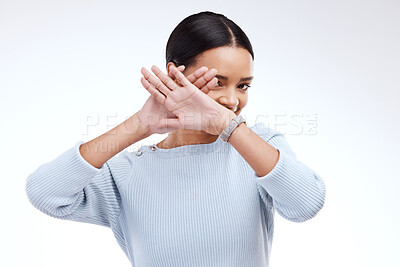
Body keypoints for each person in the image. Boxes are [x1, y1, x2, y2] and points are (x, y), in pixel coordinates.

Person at [25, 11, 326, 267]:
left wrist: (229, 126)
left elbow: (306, 204)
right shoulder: (129, 172)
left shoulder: (258, 148)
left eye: (243, 86)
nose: (232, 100)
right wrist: (141, 124)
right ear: (175, 75)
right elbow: (45, 194)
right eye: (217, 82)